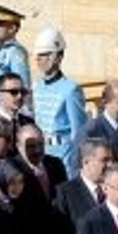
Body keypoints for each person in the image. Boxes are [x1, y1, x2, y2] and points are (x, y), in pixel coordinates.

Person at [30, 28, 88, 177]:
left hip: (63, 155)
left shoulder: (71, 89)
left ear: (58, 57)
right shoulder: (37, 87)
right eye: (39, 55)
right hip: (40, 153)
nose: (40, 59)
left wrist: (73, 165)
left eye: (46, 54)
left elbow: (79, 131)